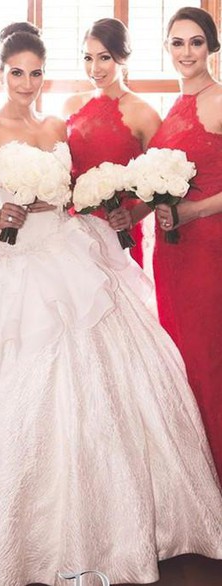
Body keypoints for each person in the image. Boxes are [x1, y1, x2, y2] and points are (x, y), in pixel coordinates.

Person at [0, 21, 222, 586]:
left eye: (37, 73)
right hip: (13, 264)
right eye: (18, 72)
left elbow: (73, 191)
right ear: (1, 73)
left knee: (104, 373)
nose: (28, 83)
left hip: (68, 248)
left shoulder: (58, 123)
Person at [150, 6, 222, 484]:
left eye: (196, 41)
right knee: (180, 362)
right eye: (177, 42)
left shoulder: (219, 100)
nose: (186, 52)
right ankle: (195, 484)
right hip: (169, 251)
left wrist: (193, 211)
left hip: (206, 248)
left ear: (212, 46)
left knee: (208, 359)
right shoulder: (173, 107)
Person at [64, 18, 160, 267]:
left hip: (121, 229)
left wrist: (133, 214)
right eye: (88, 58)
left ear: (122, 58)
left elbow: (163, 181)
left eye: (104, 57)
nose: (94, 68)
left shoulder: (144, 113)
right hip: (74, 230)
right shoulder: (71, 105)